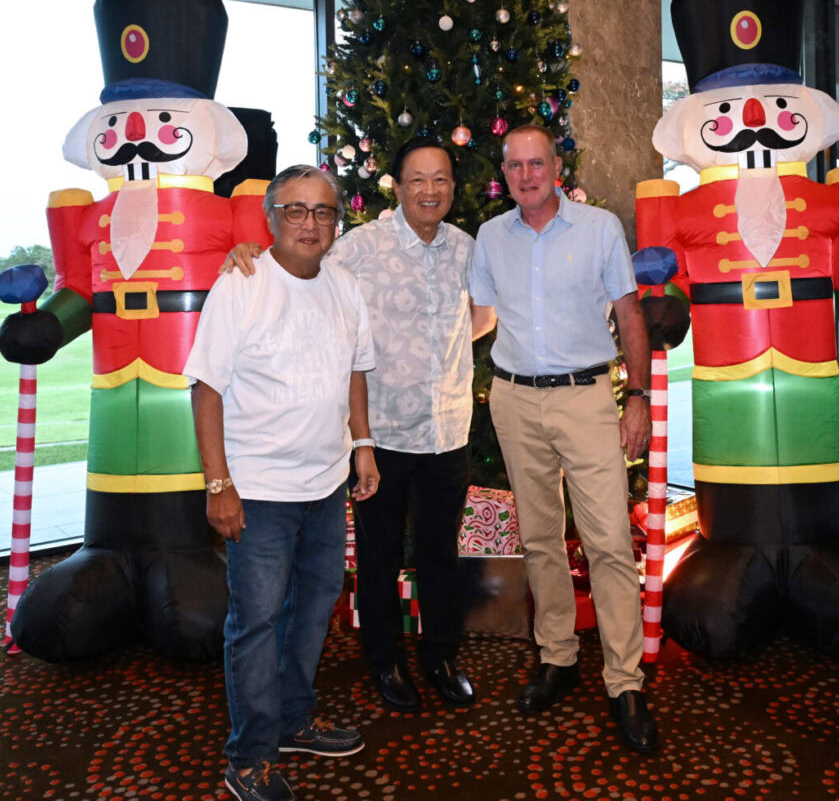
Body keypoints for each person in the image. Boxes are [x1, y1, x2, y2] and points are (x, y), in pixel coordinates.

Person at [226, 137, 497, 714]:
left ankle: (441, 658)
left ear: (453, 187)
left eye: (441, 179)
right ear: (396, 187)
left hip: (447, 429)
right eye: (417, 179)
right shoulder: (360, 247)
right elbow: (300, 270)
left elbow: (483, 315)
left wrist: (439, 354)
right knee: (379, 557)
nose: (429, 190)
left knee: (440, 554)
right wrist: (248, 251)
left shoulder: (466, 248)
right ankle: (385, 660)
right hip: (381, 432)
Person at [186, 163, 379, 801]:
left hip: (325, 486)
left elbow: (355, 371)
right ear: (271, 217)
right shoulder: (242, 284)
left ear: (336, 222)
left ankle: (294, 720)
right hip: (258, 491)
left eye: (323, 211)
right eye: (295, 209)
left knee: (312, 613)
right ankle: (249, 758)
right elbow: (206, 388)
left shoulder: (345, 286)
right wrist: (219, 485)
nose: (309, 223)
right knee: (257, 624)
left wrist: (362, 447)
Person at [468, 125, 659, 754]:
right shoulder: (491, 237)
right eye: (515, 166)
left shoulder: (599, 229)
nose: (527, 175)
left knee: (608, 541)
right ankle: (557, 657)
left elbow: (629, 312)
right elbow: (479, 317)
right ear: (504, 173)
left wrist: (637, 397)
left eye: (537, 163)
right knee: (539, 538)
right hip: (514, 398)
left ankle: (625, 681)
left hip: (585, 396)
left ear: (556, 167)